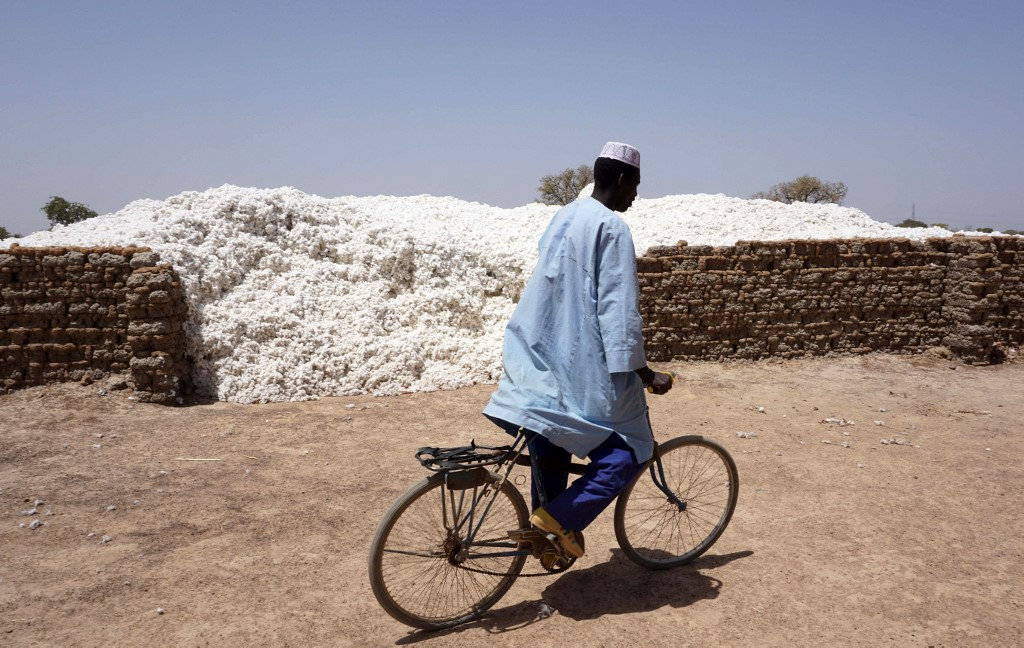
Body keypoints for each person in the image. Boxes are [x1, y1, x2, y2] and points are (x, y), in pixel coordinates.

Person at [483, 141, 673, 559]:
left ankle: (548, 544)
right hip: (575, 370)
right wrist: (644, 373)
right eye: (636, 186)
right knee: (625, 456)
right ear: (622, 180)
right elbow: (617, 311)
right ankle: (553, 524)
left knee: (549, 446)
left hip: (532, 359)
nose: (636, 196)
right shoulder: (612, 227)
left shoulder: (564, 215)